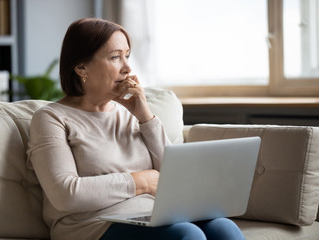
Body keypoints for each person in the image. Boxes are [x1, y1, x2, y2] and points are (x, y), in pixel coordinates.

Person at [27, 18, 245, 240]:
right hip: (92, 226)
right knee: (186, 234)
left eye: (127, 56)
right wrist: (140, 182)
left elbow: (175, 178)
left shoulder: (132, 114)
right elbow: (66, 194)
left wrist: (145, 117)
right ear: (81, 67)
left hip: (150, 215)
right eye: (115, 57)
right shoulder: (51, 118)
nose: (127, 67)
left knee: (222, 227)